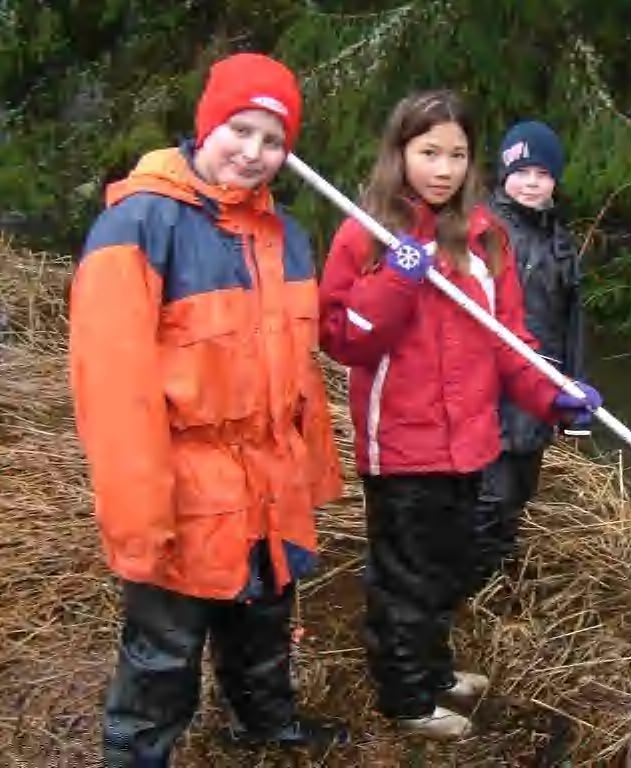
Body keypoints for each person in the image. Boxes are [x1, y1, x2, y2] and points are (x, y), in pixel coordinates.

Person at [69, 52, 347, 766]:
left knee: (264, 624)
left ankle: (266, 727)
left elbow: (301, 374)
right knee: (162, 658)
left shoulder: (286, 234)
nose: (254, 154)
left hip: (269, 484)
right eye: (240, 130)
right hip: (184, 491)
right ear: (206, 125)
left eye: (273, 140)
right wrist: (140, 519)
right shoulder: (139, 224)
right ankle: (136, 757)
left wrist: (310, 477)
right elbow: (113, 390)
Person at [318, 90, 601, 739]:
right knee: (404, 578)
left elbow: (510, 343)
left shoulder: (485, 237)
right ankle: (405, 698)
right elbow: (343, 339)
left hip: (472, 439)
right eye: (428, 153)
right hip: (402, 444)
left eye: (456, 155)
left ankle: (434, 669)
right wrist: (396, 275)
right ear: (400, 153)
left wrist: (553, 393)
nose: (442, 169)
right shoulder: (366, 233)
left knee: (446, 565)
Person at [475, 120, 586, 582]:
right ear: (504, 174)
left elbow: (573, 321)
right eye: (522, 172)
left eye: (542, 174)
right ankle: (472, 579)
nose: (532, 182)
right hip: (489, 384)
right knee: (490, 492)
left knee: (520, 488)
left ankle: (499, 567)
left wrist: (574, 386)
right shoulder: (482, 229)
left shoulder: (561, 245)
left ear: (555, 181)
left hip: (541, 385)